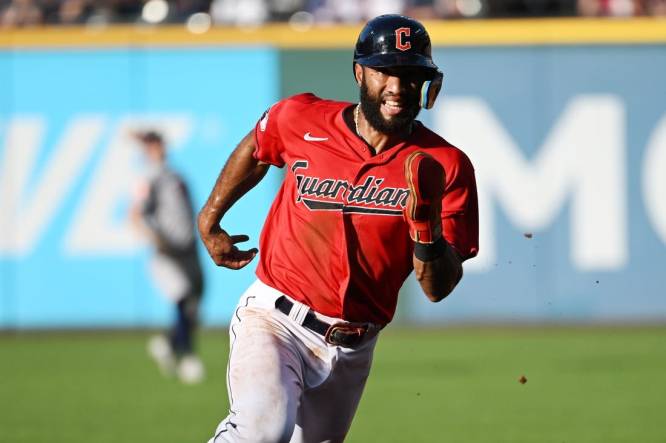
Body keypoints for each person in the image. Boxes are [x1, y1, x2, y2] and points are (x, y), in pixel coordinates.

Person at [198, 14, 478, 442]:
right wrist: (211, 216)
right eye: (386, 71)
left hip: (353, 346)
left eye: (410, 74)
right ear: (359, 72)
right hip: (277, 317)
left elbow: (438, 287)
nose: (398, 88)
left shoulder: (445, 164)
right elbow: (258, 146)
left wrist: (426, 232)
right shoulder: (301, 118)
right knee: (260, 430)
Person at [129, 130, 206, 385]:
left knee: (194, 306)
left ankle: (167, 343)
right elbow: (135, 216)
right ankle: (187, 356)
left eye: (159, 142)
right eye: (152, 144)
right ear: (146, 149)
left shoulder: (174, 174)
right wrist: (156, 241)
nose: (158, 148)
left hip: (189, 248)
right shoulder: (149, 177)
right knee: (182, 297)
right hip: (167, 253)